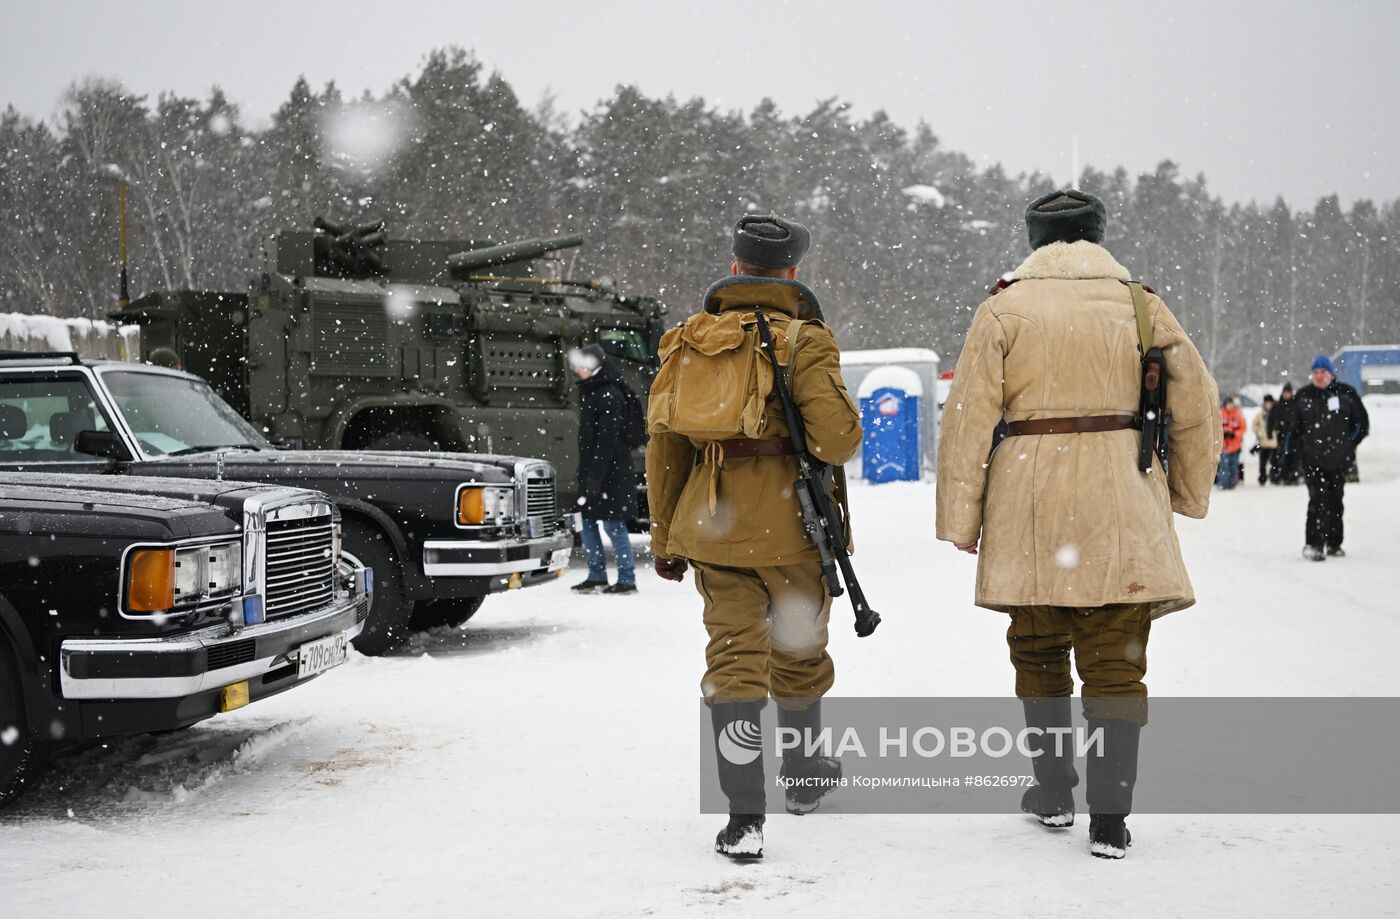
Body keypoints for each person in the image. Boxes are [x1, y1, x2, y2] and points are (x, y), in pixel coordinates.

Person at [935, 189, 1221, 859]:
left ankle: (1054, 790)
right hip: (1122, 491)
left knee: (1038, 650)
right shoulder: (1141, 306)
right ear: (1098, 235)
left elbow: (967, 420)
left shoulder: (1003, 308)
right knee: (1116, 660)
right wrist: (1186, 492)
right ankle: (1110, 818)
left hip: (1028, 500)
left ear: (1034, 239)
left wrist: (961, 517)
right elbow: (1198, 405)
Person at [646, 215, 862, 860]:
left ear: (735, 267)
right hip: (793, 529)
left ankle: (743, 818)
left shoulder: (687, 340)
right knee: (798, 655)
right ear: (792, 272)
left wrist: (664, 537)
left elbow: (665, 450)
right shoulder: (806, 340)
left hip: (712, 528)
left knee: (733, 663)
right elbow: (838, 441)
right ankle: (803, 778)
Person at [570, 344, 640, 594]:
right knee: (587, 521)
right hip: (596, 472)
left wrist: (595, 476)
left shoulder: (609, 394)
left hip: (611, 474)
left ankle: (627, 579)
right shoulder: (595, 390)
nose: (576, 370)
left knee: (613, 525)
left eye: (581, 365)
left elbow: (607, 442)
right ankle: (597, 575)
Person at [1294, 355, 1369, 561]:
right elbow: (1293, 429)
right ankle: (1314, 544)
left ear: (1331, 373)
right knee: (1317, 501)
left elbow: (1362, 424)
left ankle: (1334, 543)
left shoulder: (1346, 394)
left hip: (1338, 461)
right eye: (1316, 372)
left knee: (1336, 501)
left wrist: (1348, 445)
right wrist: (1299, 452)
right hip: (1312, 461)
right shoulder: (1303, 396)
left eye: (1323, 372)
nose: (1319, 376)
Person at [1269, 383, 1301, 484]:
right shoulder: (1278, 405)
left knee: (1293, 456)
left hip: (1294, 435)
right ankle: (1279, 476)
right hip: (1280, 434)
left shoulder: (1295, 404)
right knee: (1279, 456)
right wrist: (1270, 431)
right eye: (1285, 392)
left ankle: (1293, 476)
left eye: (1288, 393)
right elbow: (1271, 419)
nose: (1286, 395)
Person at [1217, 396, 1246, 488]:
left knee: (1234, 466)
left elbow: (1243, 428)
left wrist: (1234, 434)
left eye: (1231, 404)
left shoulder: (1237, 415)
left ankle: (1232, 483)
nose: (1230, 406)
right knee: (1224, 466)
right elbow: (1216, 428)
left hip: (1235, 446)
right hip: (1224, 446)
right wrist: (1223, 434)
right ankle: (1223, 483)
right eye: (1228, 404)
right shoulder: (1220, 414)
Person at [1251, 394, 1278, 484]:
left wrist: (1275, 433)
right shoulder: (1260, 415)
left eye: (1270, 403)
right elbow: (1254, 425)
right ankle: (1262, 477)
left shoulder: (1276, 413)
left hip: (1273, 442)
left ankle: (1273, 477)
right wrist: (1260, 432)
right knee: (1263, 462)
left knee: (1274, 462)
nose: (1268, 405)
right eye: (1267, 403)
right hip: (1263, 442)